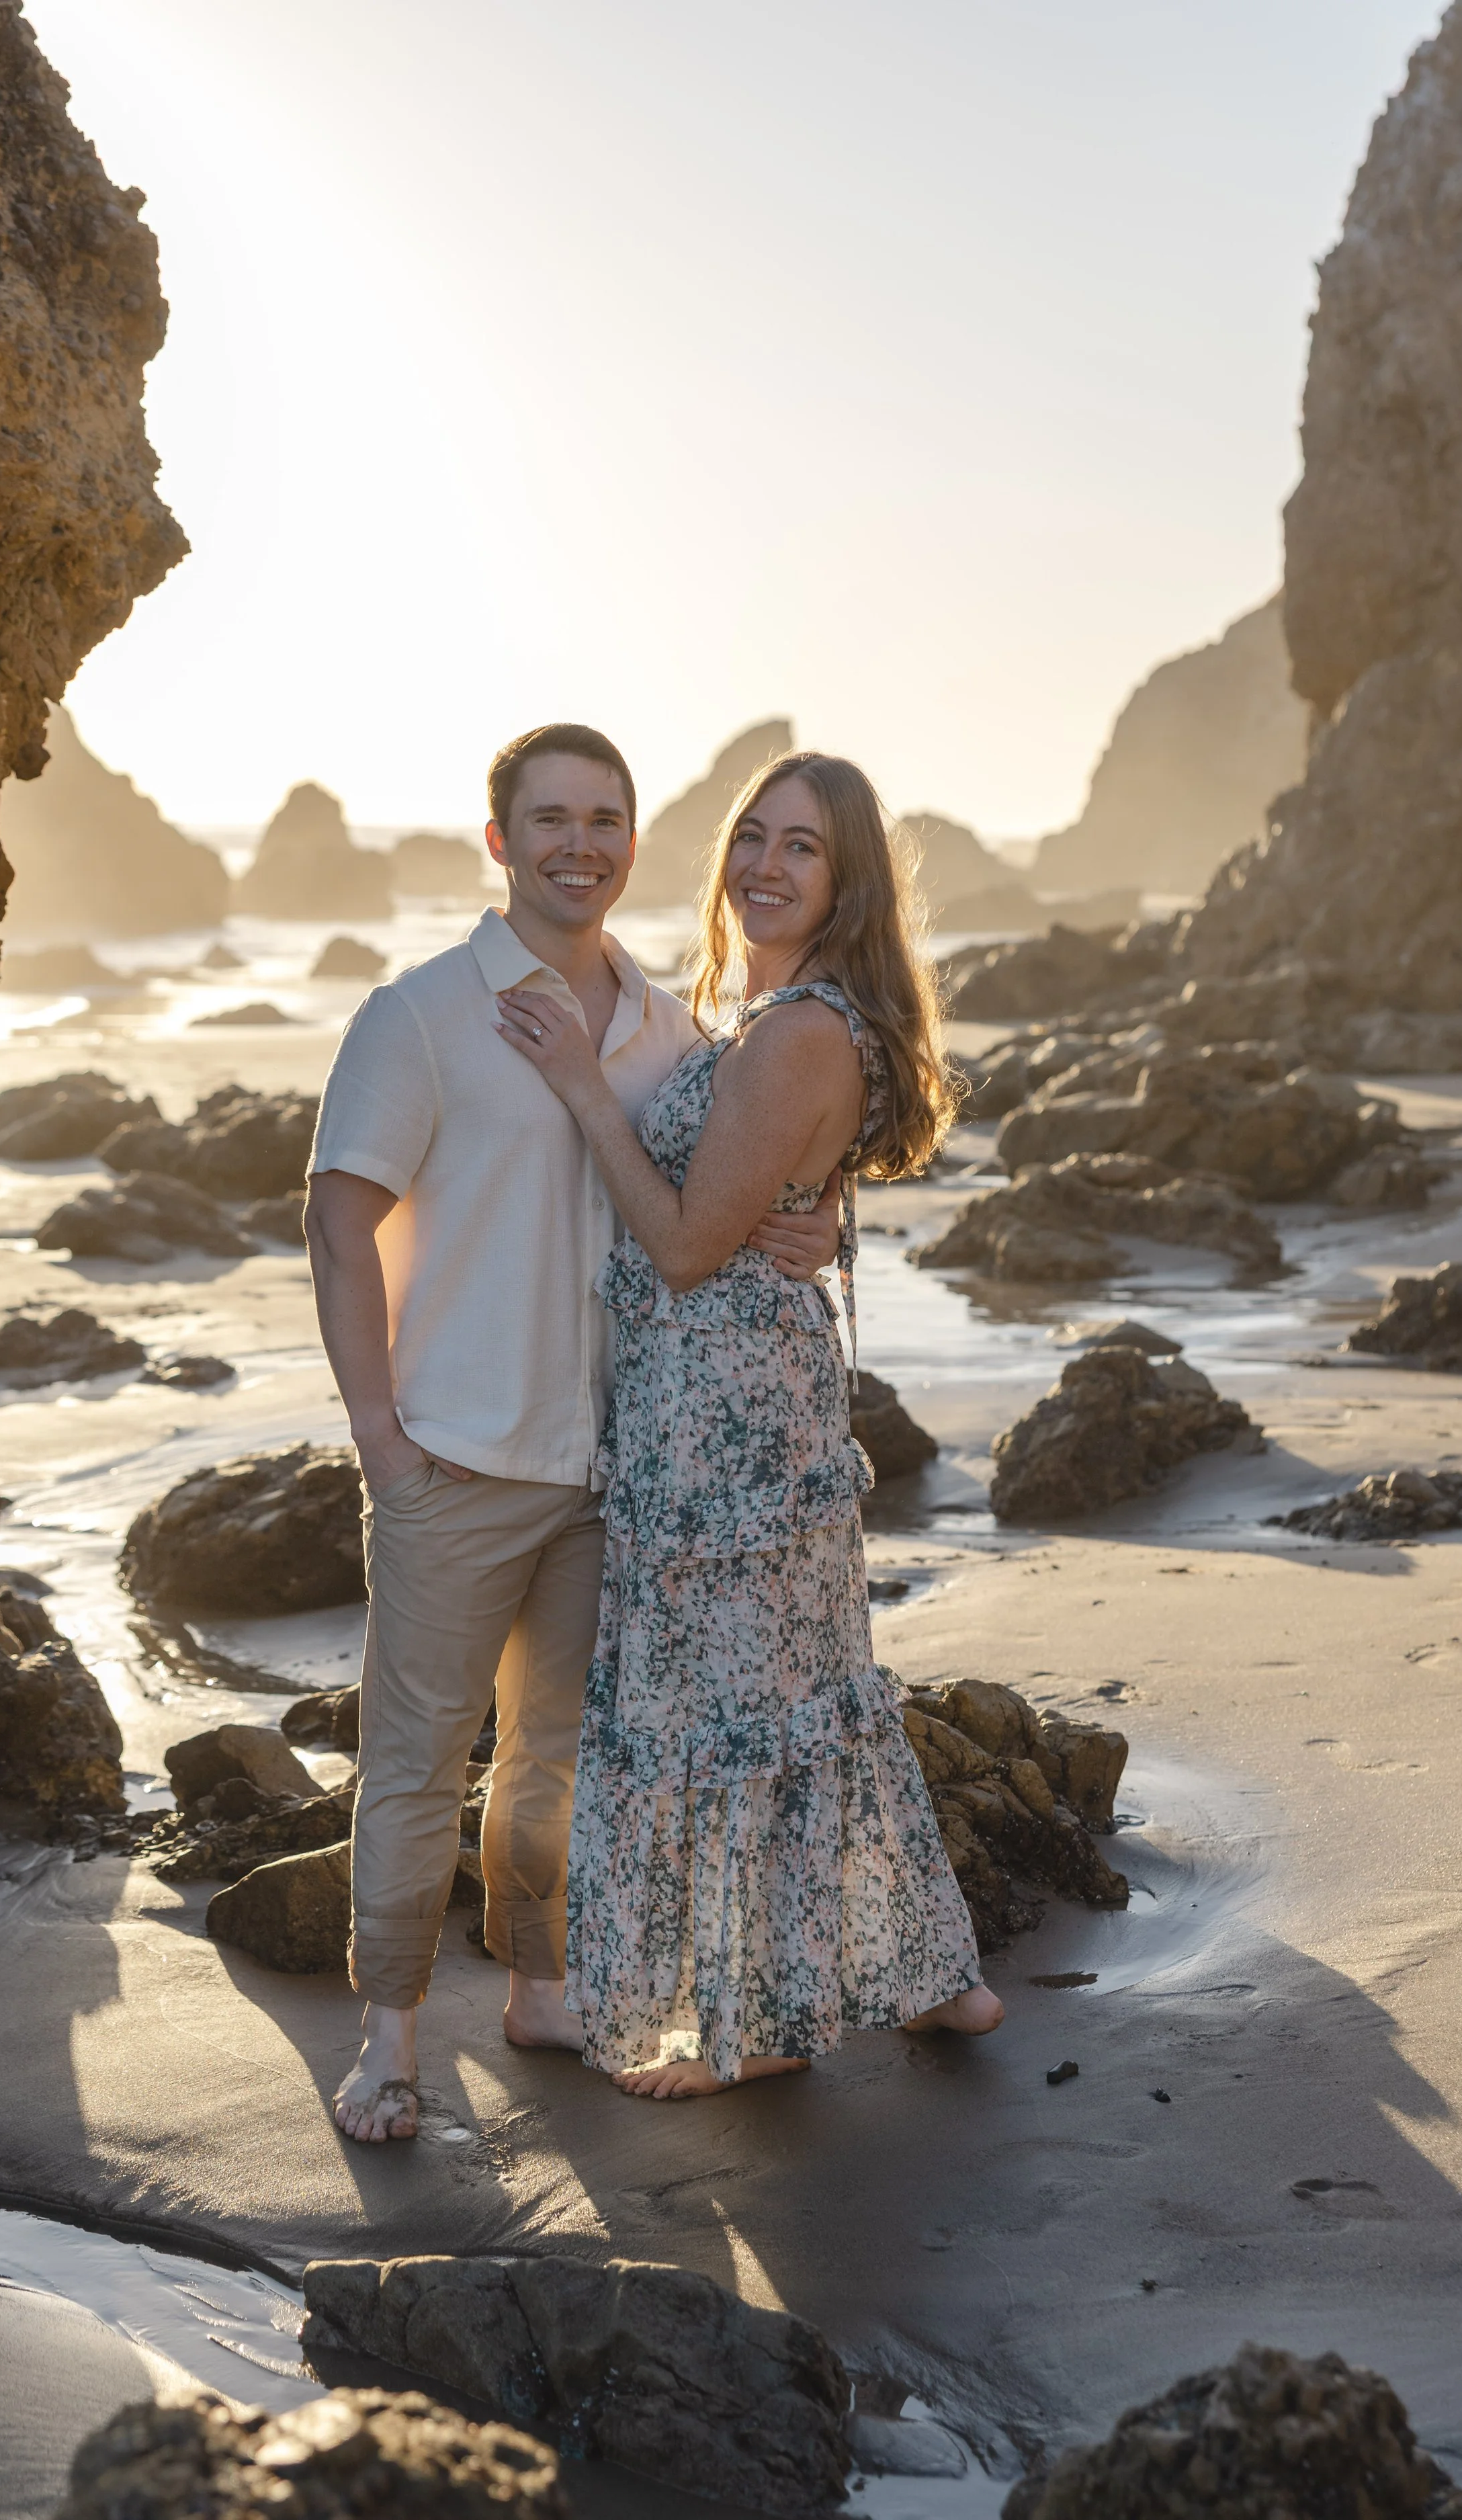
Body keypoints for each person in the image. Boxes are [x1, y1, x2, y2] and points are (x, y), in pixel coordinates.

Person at [305, 724, 838, 2141]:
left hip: (617, 1472)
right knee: (416, 1762)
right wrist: (381, 1438)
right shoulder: (419, 1015)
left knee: (555, 1758)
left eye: (605, 818)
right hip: (455, 1461)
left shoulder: (668, 1034)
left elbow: (722, 1195)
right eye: (549, 818)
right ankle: (388, 2042)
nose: (579, 843)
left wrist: (817, 1217)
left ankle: (539, 1988)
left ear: (631, 842)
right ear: (500, 839)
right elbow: (337, 1221)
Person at [494, 750, 1003, 2098]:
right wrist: (814, 1212)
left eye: (802, 850)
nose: (766, 868)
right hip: (734, 1398)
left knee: (733, 1707)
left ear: (842, 887)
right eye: (752, 839)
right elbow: (759, 1192)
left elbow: (674, 1247)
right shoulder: (787, 1018)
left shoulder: (793, 1033)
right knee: (802, 1693)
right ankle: (937, 1979)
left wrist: (582, 1088)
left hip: (721, 1419)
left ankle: (766, 2029)